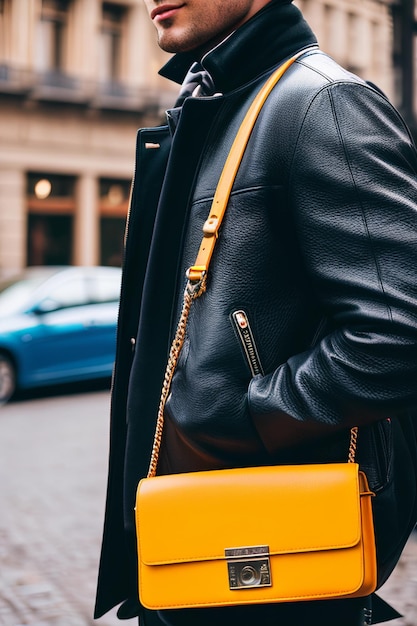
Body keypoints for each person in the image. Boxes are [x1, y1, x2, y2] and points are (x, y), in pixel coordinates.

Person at [94, 1, 417, 624]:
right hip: (193, 536)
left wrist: (247, 413)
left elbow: (399, 335)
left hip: (269, 548)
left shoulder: (321, 104)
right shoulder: (218, 103)